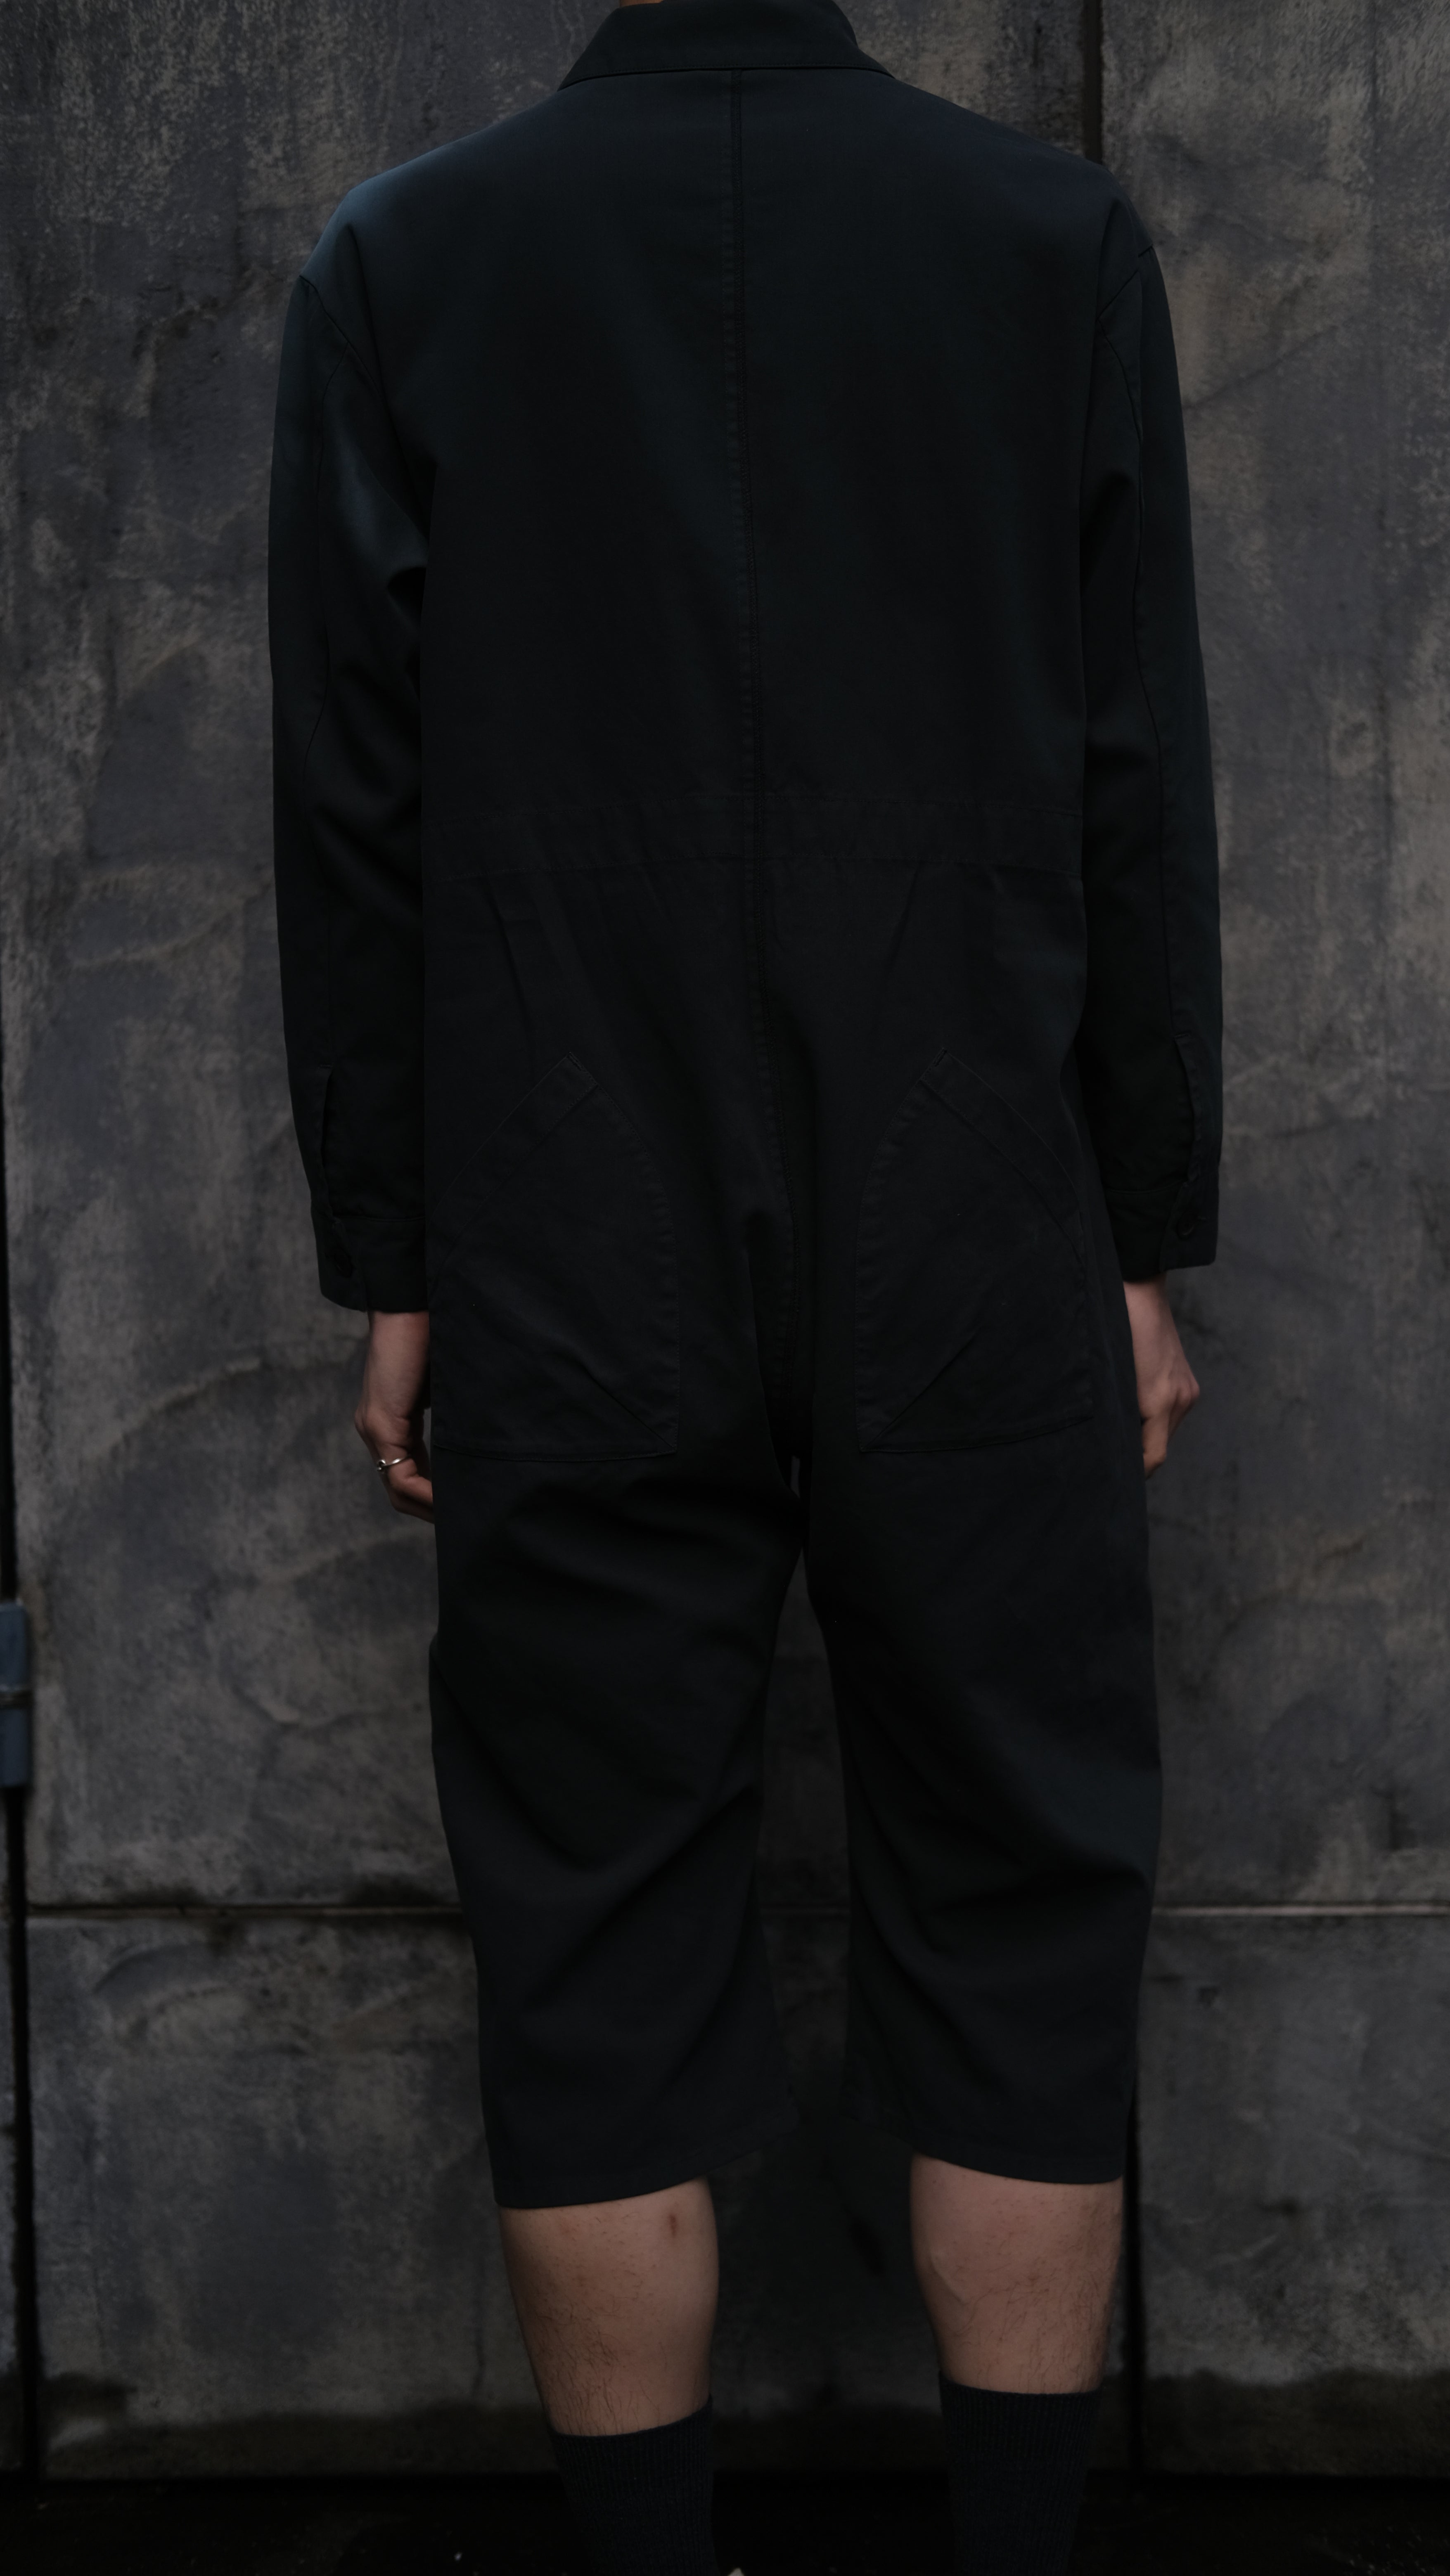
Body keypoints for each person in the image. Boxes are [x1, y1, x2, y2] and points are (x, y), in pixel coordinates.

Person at [269, 0, 1218, 2568]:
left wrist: (398, 1251)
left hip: (566, 1205)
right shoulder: (1044, 241)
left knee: (588, 1932)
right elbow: (1135, 780)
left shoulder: (409, 259)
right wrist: (1128, 1238)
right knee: (1021, 1901)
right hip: (967, 1197)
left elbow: (353, 809)